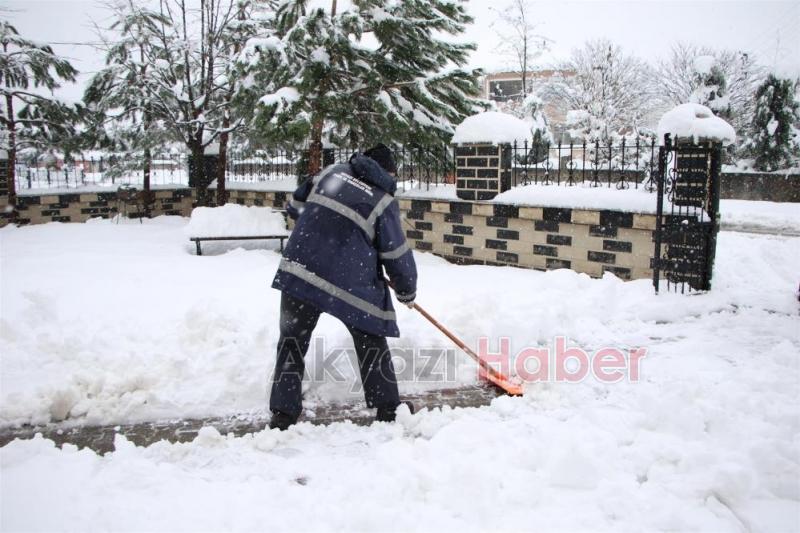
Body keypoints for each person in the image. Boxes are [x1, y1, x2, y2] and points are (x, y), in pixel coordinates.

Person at [268, 144, 418, 431]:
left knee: (292, 340)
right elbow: (395, 253)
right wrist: (406, 290)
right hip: (348, 279)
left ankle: (283, 415)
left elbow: (296, 205)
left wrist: (320, 227)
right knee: (370, 334)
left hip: (300, 268)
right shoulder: (382, 200)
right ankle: (387, 408)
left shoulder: (331, 173)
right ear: (387, 172)